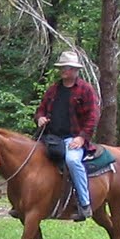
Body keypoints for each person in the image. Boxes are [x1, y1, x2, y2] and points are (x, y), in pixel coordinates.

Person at [34, 49, 100, 222]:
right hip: (51, 137)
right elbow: (41, 109)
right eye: (63, 67)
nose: (64, 71)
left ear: (75, 70)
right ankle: (26, 202)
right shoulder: (53, 90)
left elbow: (93, 116)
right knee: (31, 158)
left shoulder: (85, 90)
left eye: (68, 68)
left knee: (72, 161)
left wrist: (82, 137)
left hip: (73, 138)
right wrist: (40, 117)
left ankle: (84, 204)